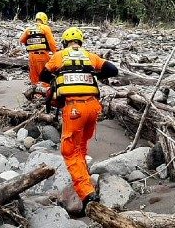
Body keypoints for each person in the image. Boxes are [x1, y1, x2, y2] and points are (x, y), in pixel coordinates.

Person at [40, 27, 118, 215]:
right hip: (93, 108)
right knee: (81, 146)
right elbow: (113, 70)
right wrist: (97, 75)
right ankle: (84, 175)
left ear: (65, 42)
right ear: (80, 42)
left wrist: (58, 78)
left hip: (74, 109)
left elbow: (43, 75)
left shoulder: (59, 56)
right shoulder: (91, 57)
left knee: (69, 151)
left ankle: (87, 194)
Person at [19, 12, 58, 86]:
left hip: (31, 56)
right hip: (42, 55)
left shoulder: (28, 29)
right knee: (44, 76)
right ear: (44, 20)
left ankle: (35, 93)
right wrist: (56, 53)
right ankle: (44, 93)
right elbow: (51, 43)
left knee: (34, 76)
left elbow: (21, 40)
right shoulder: (45, 28)